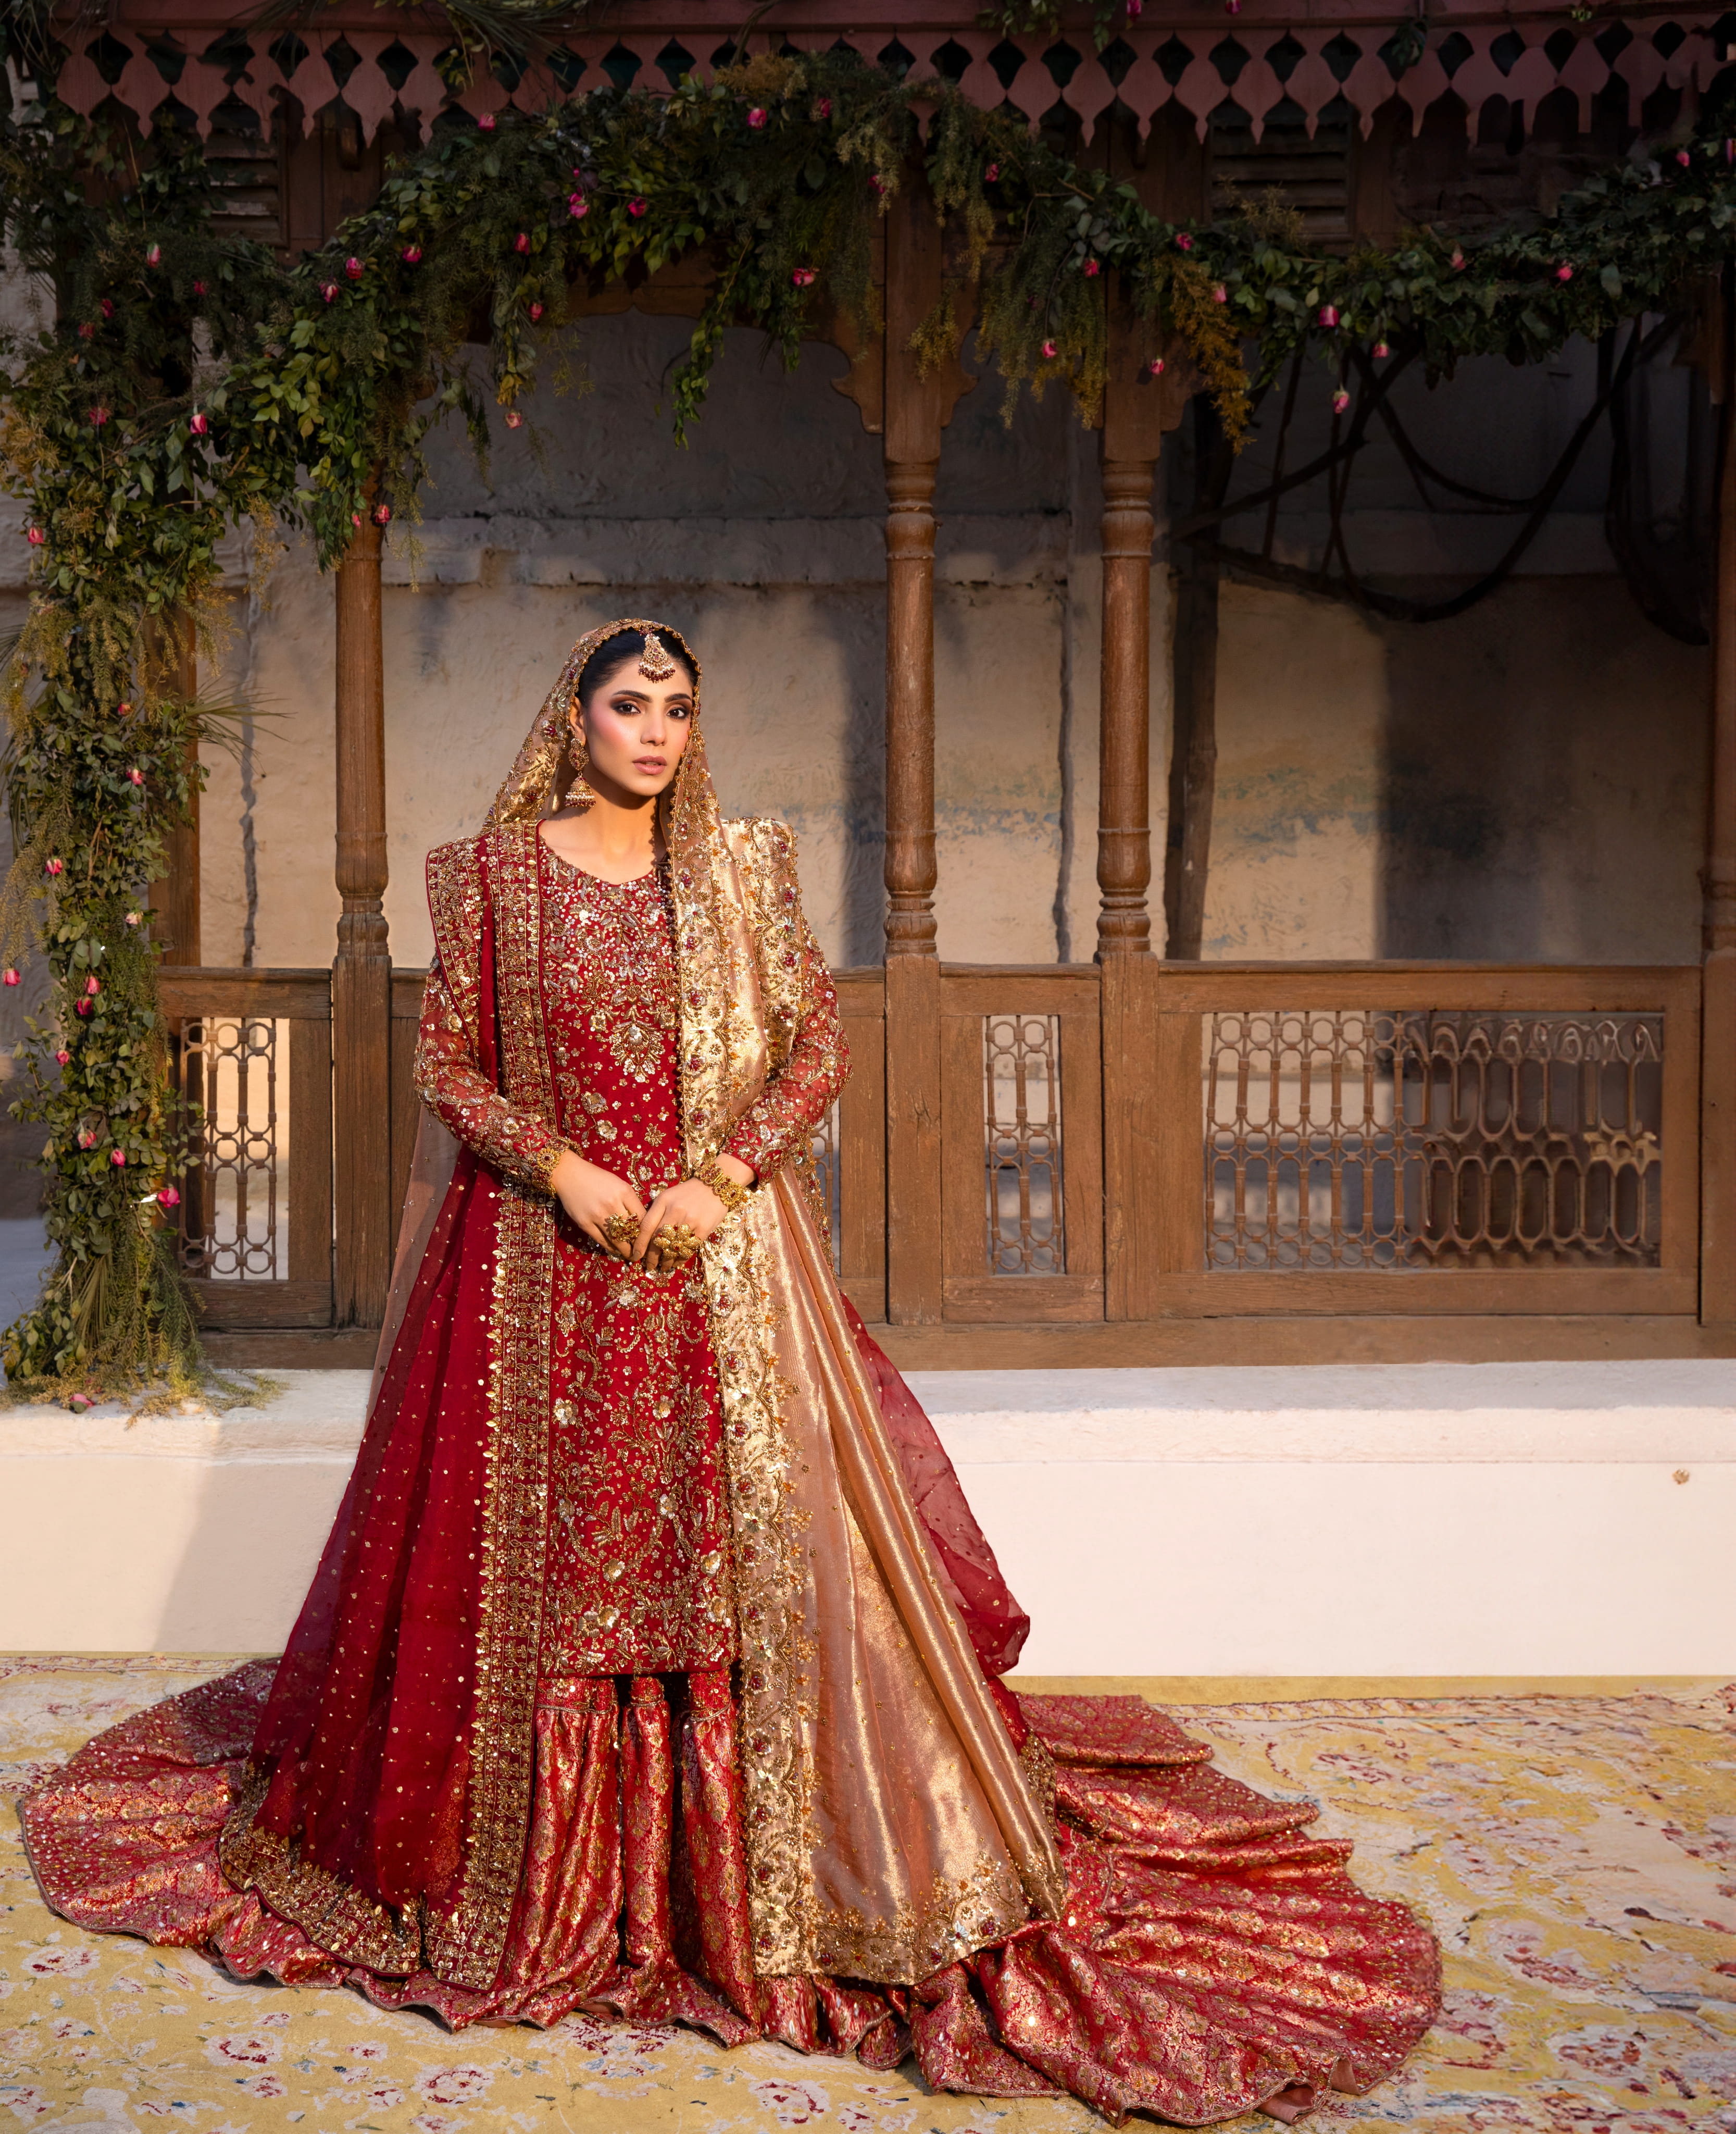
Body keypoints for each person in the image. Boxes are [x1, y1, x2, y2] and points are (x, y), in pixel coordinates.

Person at [22, 620, 1440, 2125]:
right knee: (548, 1575)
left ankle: (739, 1900)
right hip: (536, 1277)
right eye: (630, 703)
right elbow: (449, 1063)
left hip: (721, 1281)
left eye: (679, 707)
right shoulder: (486, 878)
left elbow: (814, 1051)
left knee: (724, 1572)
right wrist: (560, 1166)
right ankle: (533, 1889)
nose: (656, 729)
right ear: (573, 721)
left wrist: (725, 1178)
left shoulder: (742, 874)